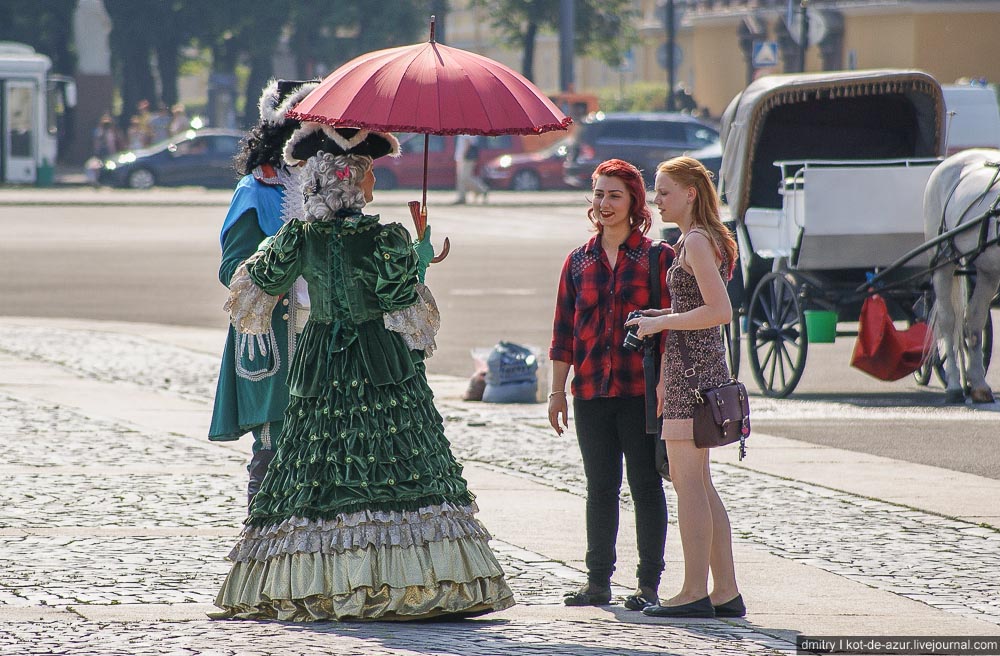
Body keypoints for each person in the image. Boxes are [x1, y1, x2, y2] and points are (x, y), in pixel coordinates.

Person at [211, 121, 516, 621]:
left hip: (319, 358)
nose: (374, 180)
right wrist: (416, 256)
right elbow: (402, 304)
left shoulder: (299, 237)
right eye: (368, 172)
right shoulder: (384, 238)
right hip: (380, 363)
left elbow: (253, 285)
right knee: (393, 465)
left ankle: (318, 582)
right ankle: (408, 581)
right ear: (349, 177)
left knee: (318, 467)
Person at [548, 158, 674, 611]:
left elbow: (675, 330)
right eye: (599, 193)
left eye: (614, 195)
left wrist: (667, 388)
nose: (604, 203)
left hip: (642, 392)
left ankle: (648, 585)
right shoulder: (578, 261)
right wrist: (556, 391)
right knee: (599, 487)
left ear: (634, 202)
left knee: (645, 486)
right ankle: (597, 581)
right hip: (590, 394)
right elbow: (563, 332)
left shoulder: (659, 257)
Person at [626, 156, 744, 619]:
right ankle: (725, 591)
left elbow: (720, 310)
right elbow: (699, 305)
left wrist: (664, 324)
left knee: (689, 485)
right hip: (699, 367)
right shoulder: (701, 239)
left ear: (690, 193)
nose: (657, 199)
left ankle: (695, 591)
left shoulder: (695, 240)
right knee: (701, 485)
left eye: (664, 191)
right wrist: (662, 317)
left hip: (691, 372)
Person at [208, 78, 319, 507]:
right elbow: (232, 269)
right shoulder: (256, 191)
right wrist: (283, 267)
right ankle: (263, 539)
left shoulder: (332, 187)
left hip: (324, 331)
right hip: (275, 332)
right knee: (274, 443)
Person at [454, 134, 488, 204]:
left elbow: (468, 142)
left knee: (465, 177)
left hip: (467, 157)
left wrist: (463, 156)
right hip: (462, 157)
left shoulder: (467, 128)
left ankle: (482, 189)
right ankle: (462, 198)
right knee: (460, 178)